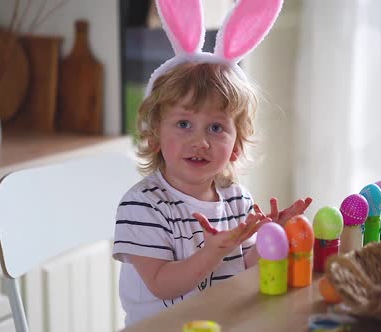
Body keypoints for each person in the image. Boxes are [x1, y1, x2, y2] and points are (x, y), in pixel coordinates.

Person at [112, 0, 312, 326]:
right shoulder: (143, 206)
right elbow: (162, 285)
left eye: (216, 128)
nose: (200, 141)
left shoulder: (236, 199)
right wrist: (213, 251)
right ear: (155, 136)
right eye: (183, 124)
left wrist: (271, 236)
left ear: (236, 147)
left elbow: (244, 266)